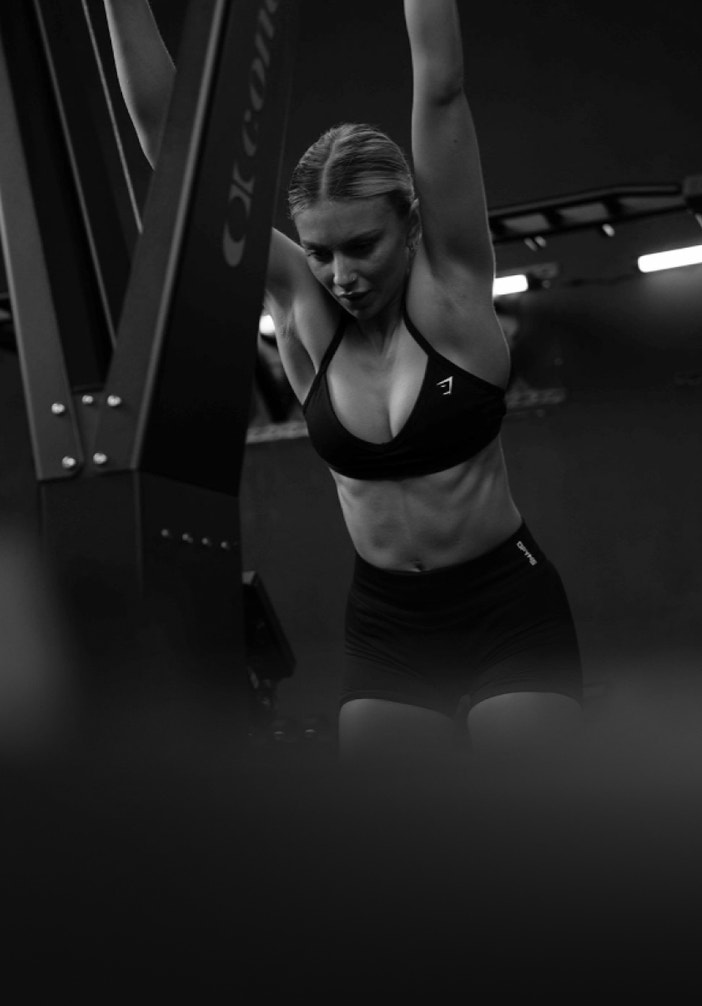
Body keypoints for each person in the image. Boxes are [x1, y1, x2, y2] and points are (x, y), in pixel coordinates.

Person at [104, 0, 583, 779]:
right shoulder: (302, 308)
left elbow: (441, 83)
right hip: (390, 623)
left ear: (413, 224)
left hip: (506, 606)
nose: (341, 275)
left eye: (362, 246)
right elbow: (174, 149)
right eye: (320, 252)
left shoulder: (454, 290)